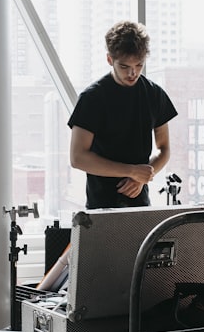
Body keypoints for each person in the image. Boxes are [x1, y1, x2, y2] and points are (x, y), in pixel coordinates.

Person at [68, 20, 178, 209]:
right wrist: (132, 171)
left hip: (140, 205)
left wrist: (143, 176)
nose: (133, 73)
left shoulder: (154, 94)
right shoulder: (92, 98)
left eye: (139, 65)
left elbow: (164, 149)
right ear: (110, 60)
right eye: (125, 66)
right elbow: (77, 157)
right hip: (101, 207)